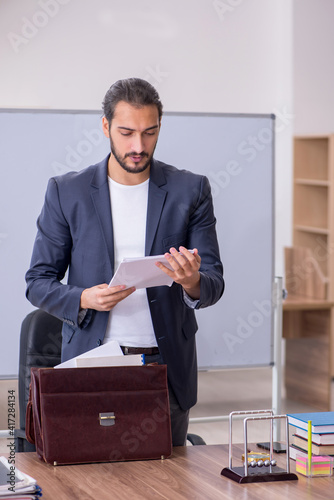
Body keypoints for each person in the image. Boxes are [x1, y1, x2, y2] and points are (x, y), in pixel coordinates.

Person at [25, 78, 224, 446]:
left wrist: (190, 280)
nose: (138, 146)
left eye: (149, 133)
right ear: (105, 127)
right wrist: (85, 298)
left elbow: (212, 283)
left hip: (166, 372)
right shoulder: (67, 192)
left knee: (168, 484)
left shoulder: (190, 190)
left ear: (160, 127)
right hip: (93, 364)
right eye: (127, 132)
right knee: (90, 480)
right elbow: (37, 281)